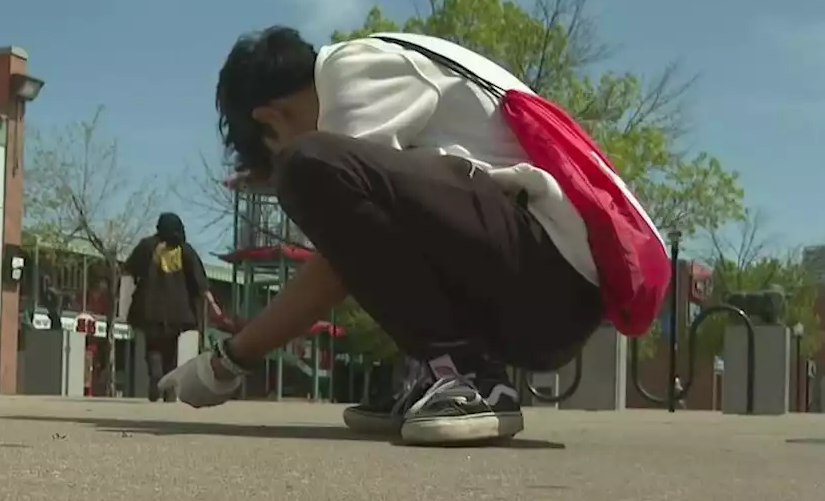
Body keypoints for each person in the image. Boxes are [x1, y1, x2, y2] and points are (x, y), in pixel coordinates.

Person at [160, 27, 665, 445]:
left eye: (269, 150)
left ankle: (466, 376)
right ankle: (439, 372)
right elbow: (380, 239)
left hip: (552, 281)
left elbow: (337, 261)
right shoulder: (383, 71)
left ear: (269, 118)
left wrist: (229, 360)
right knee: (319, 170)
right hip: (541, 291)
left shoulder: (351, 71)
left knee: (309, 166)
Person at [125, 213, 223, 402]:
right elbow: (200, 281)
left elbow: (129, 270)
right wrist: (213, 305)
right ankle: (169, 390)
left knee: (152, 347)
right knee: (170, 349)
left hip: (149, 308)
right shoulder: (185, 250)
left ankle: (156, 376)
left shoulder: (147, 246)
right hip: (178, 311)